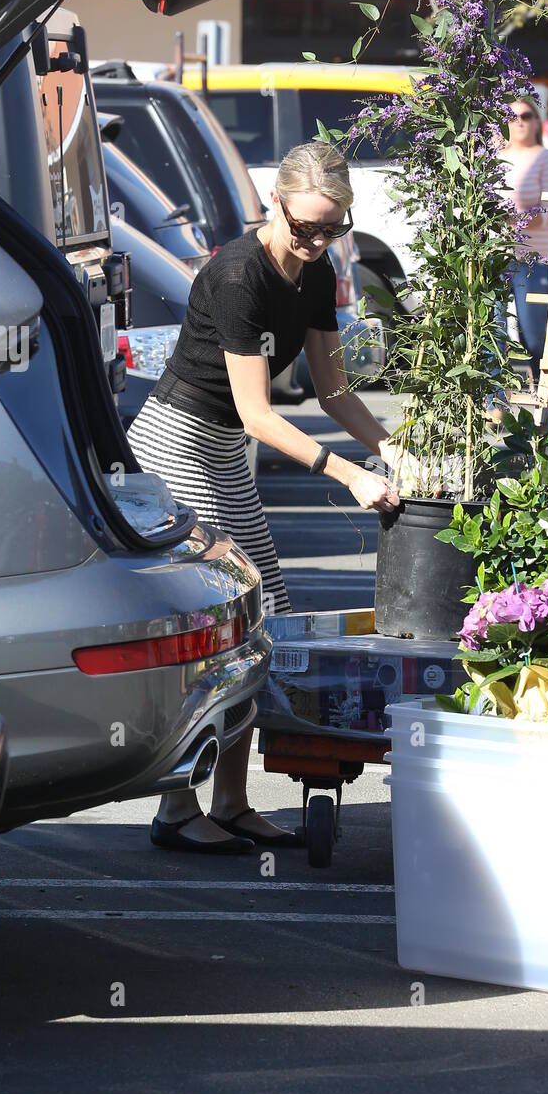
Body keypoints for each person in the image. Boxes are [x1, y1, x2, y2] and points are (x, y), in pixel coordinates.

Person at [128, 142, 401, 853]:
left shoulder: (314, 272)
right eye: (303, 225)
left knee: (262, 616)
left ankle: (232, 801)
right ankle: (176, 810)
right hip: (176, 439)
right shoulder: (237, 274)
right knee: (213, 616)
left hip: (223, 447)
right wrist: (349, 476)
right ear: (271, 202)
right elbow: (257, 412)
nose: (314, 242)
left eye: (330, 229)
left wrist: (388, 446)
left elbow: (331, 386)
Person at [499, 97, 548, 383]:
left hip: (533, 257)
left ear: (537, 121)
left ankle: (542, 391)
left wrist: (508, 220)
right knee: (492, 328)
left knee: (534, 336)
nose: (520, 121)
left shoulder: (547, 158)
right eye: (513, 117)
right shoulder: (493, 157)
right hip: (494, 253)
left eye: (526, 115)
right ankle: (494, 401)